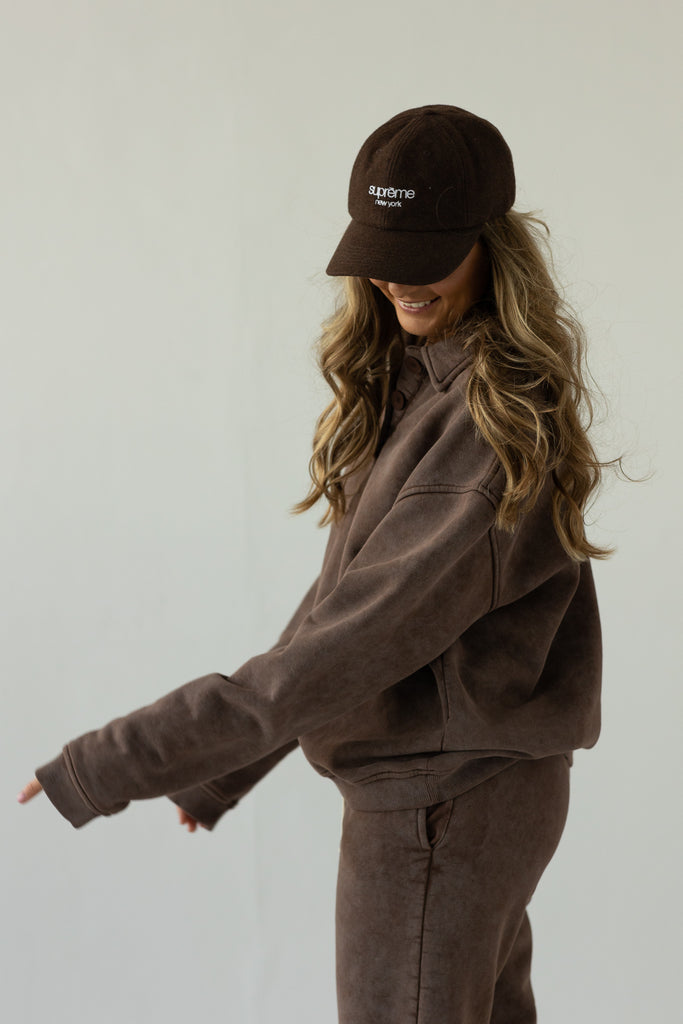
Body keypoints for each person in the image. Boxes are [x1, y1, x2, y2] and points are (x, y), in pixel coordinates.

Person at [17, 104, 611, 1023]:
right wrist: (226, 769)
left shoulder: (482, 429)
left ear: (493, 247)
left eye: (425, 254)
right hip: (469, 794)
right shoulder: (429, 392)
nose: (397, 280)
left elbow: (354, 643)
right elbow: (346, 603)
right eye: (382, 252)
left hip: (438, 803)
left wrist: (114, 760)